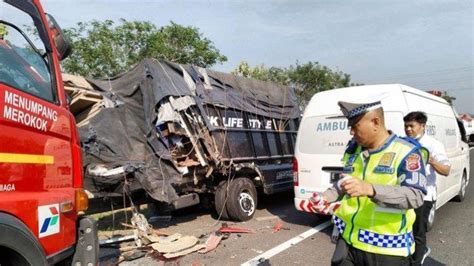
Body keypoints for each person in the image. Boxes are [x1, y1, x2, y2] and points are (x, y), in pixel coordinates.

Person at [310, 100, 427, 266]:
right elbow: (344, 183)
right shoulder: (354, 150)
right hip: (348, 242)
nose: (351, 132)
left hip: (387, 250)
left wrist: (371, 189)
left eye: (355, 126)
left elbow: (415, 197)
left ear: (375, 122)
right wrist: (325, 197)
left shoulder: (406, 152)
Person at [404, 111, 451, 265]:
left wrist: (431, 160)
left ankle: (417, 260)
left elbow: (446, 170)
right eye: (406, 126)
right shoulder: (404, 143)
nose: (408, 129)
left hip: (423, 196)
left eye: (412, 126)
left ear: (422, 126)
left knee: (418, 232)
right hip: (404, 195)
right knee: (404, 230)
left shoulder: (433, 144)